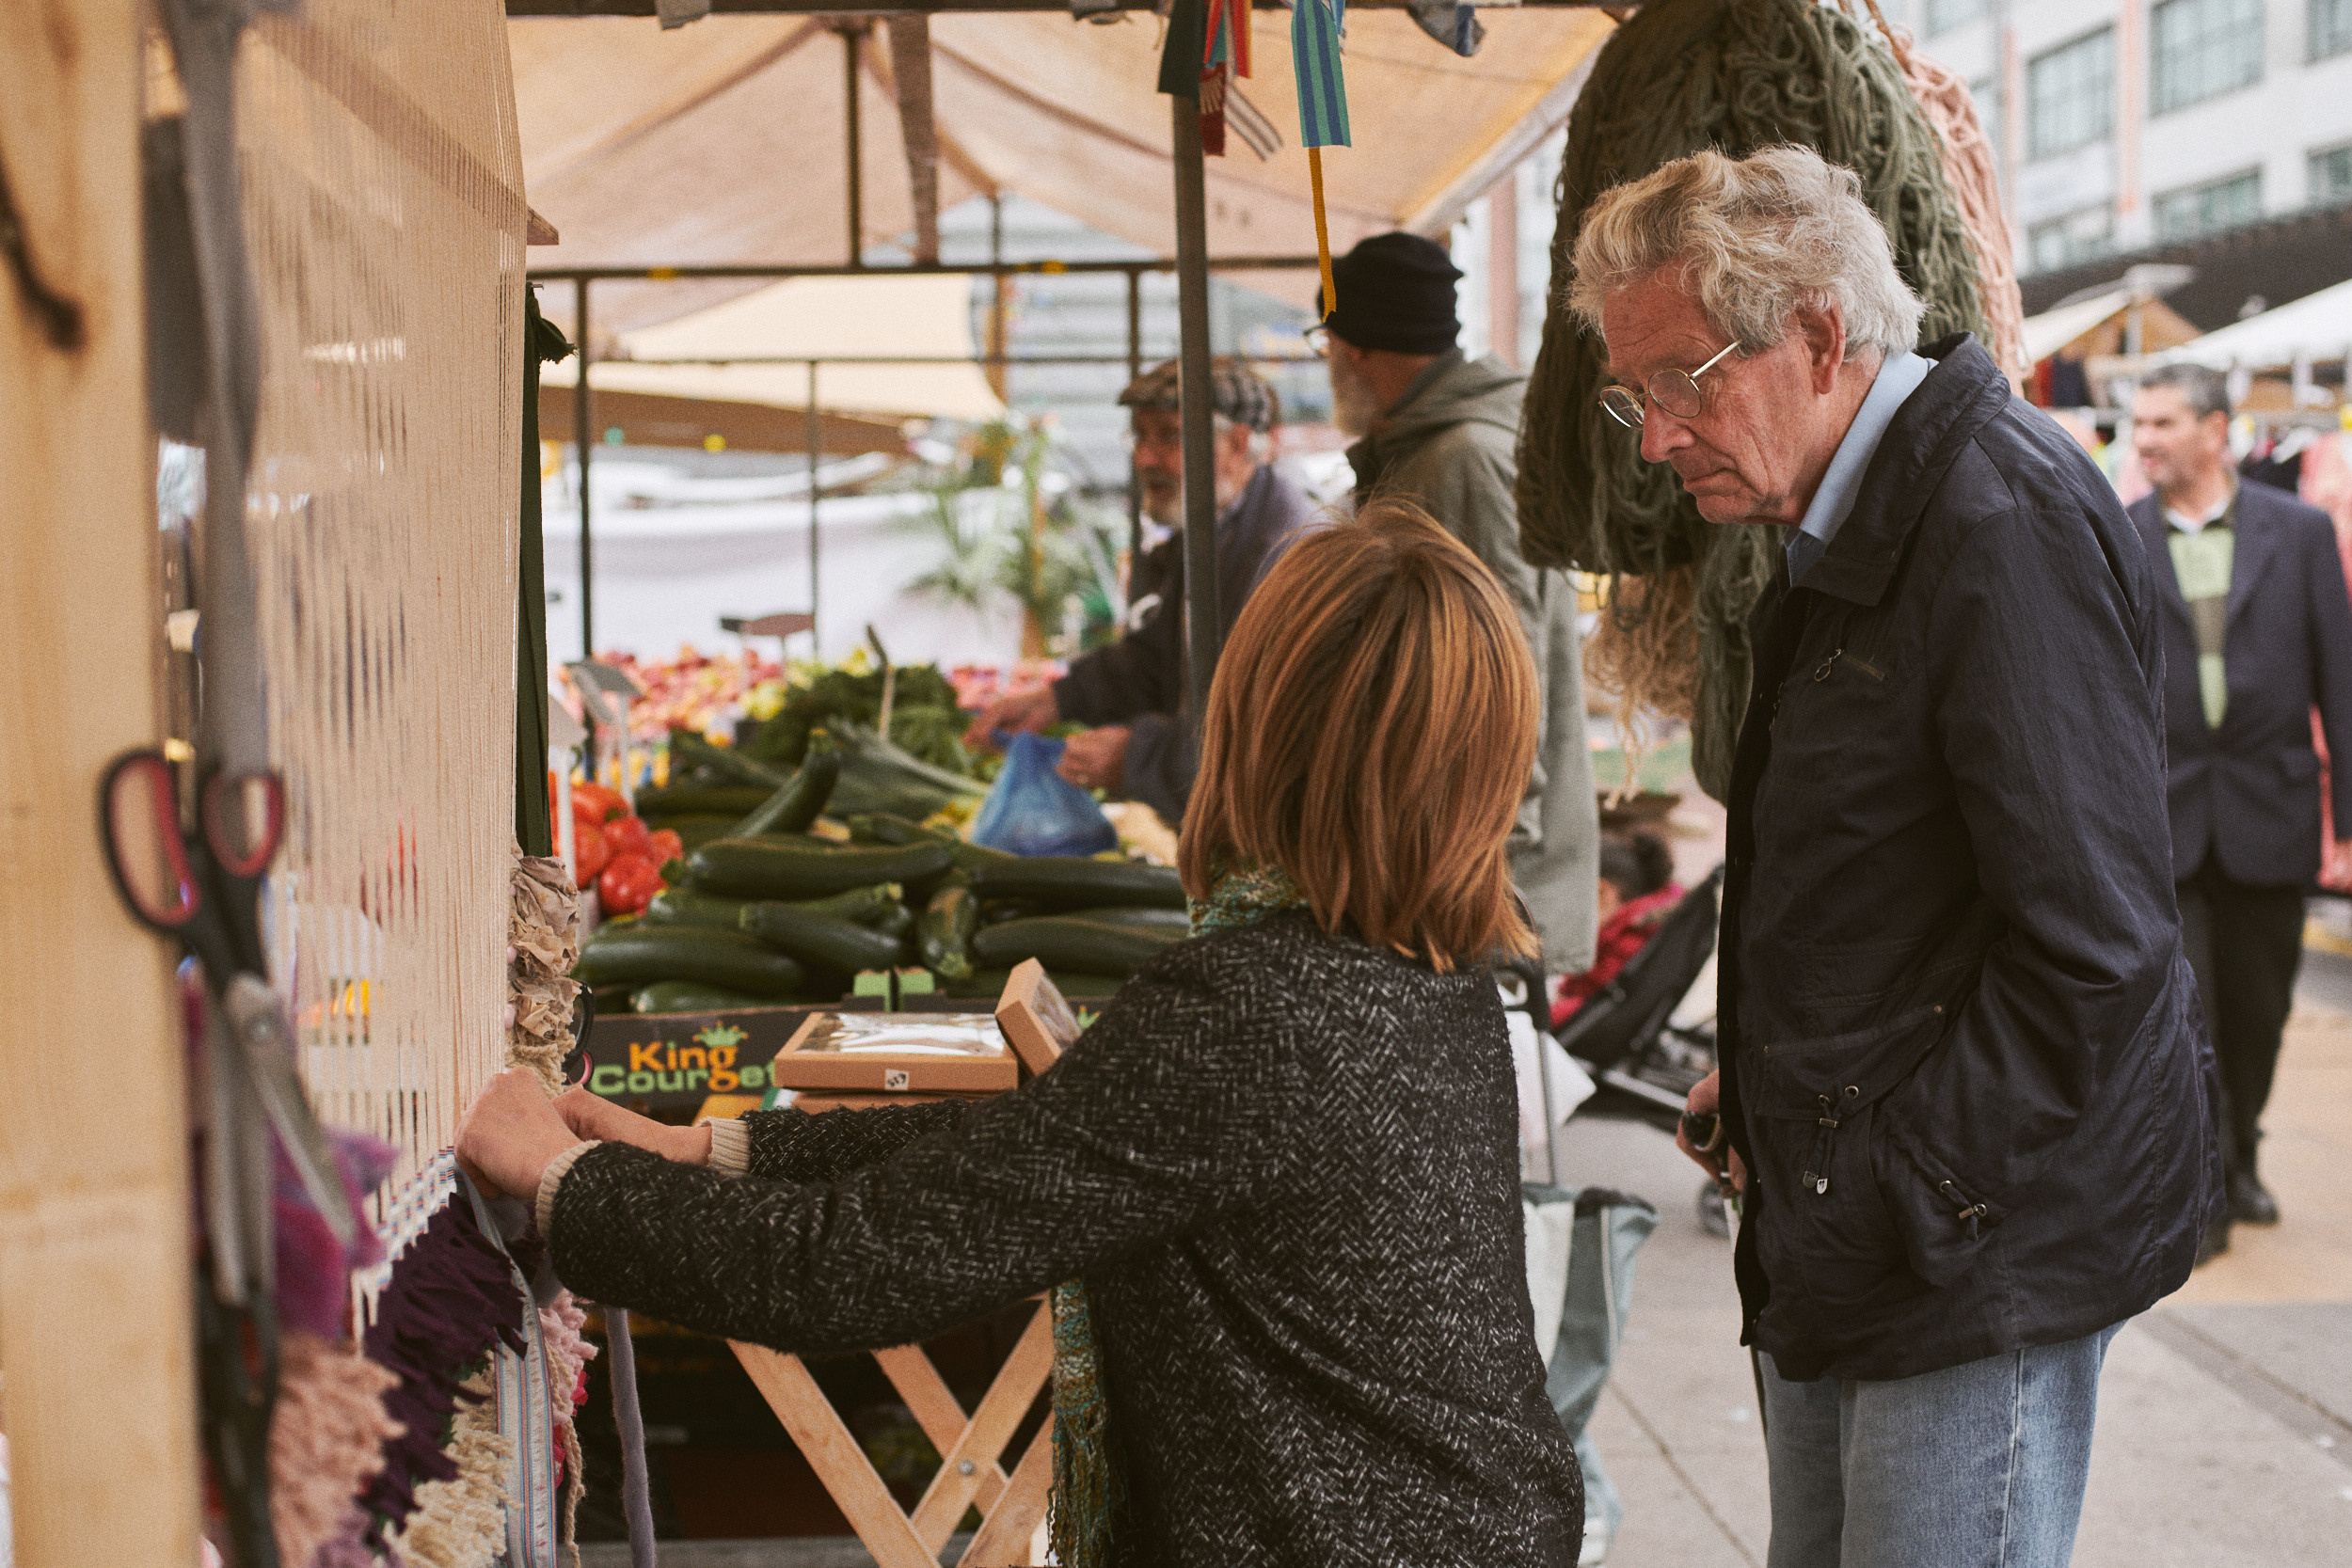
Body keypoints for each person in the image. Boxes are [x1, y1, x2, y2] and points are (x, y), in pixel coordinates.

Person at [461, 501, 1586, 1564]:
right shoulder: (1423, 977)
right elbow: (1040, 1147)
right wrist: (715, 1149)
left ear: (1257, 730)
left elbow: (849, 1265)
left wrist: (561, 1179)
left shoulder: (1261, 1011)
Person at [1572, 145, 2216, 1567]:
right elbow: (1896, 877)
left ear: (1814, 331)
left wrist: (1886, 1182)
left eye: (1683, 380)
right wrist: (1791, 1086)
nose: (1653, 436)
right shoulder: (1854, 506)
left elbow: (2096, 952)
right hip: (1864, 1219)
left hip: (1967, 1250)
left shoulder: (1998, 521)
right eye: (1634, 394)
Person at [1317, 230, 1598, 974]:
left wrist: (1485, 880)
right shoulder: (1431, 449)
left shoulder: (1464, 459)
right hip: (1457, 879)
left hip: (1483, 895)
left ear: (1356, 349)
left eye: (1328, 342)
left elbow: (1508, 677)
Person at [2127, 363, 2352, 1247]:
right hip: (2165, 820)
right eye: (2137, 423)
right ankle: (2206, 1186)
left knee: (2260, 1010)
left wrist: (2347, 826)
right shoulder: (2119, 529)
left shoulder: (2298, 532)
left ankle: (2246, 1152)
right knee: (2189, 1015)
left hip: (2273, 811)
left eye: (2163, 422)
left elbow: (2342, 677)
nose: (2143, 439)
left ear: (2216, 430)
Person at [960, 357, 1315, 827]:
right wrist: (1059, 700)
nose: (1145, 457)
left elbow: (1269, 735)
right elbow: (1157, 661)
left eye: (1169, 435)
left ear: (1238, 443)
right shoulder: (1215, 527)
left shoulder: (1283, 555)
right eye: (1140, 436)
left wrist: (1137, 758)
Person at [1551, 830, 1682, 1027]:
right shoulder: (1641, 931)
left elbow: (1587, 1007)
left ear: (1602, 892)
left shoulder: (1630, 939)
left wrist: (1540, 1015)